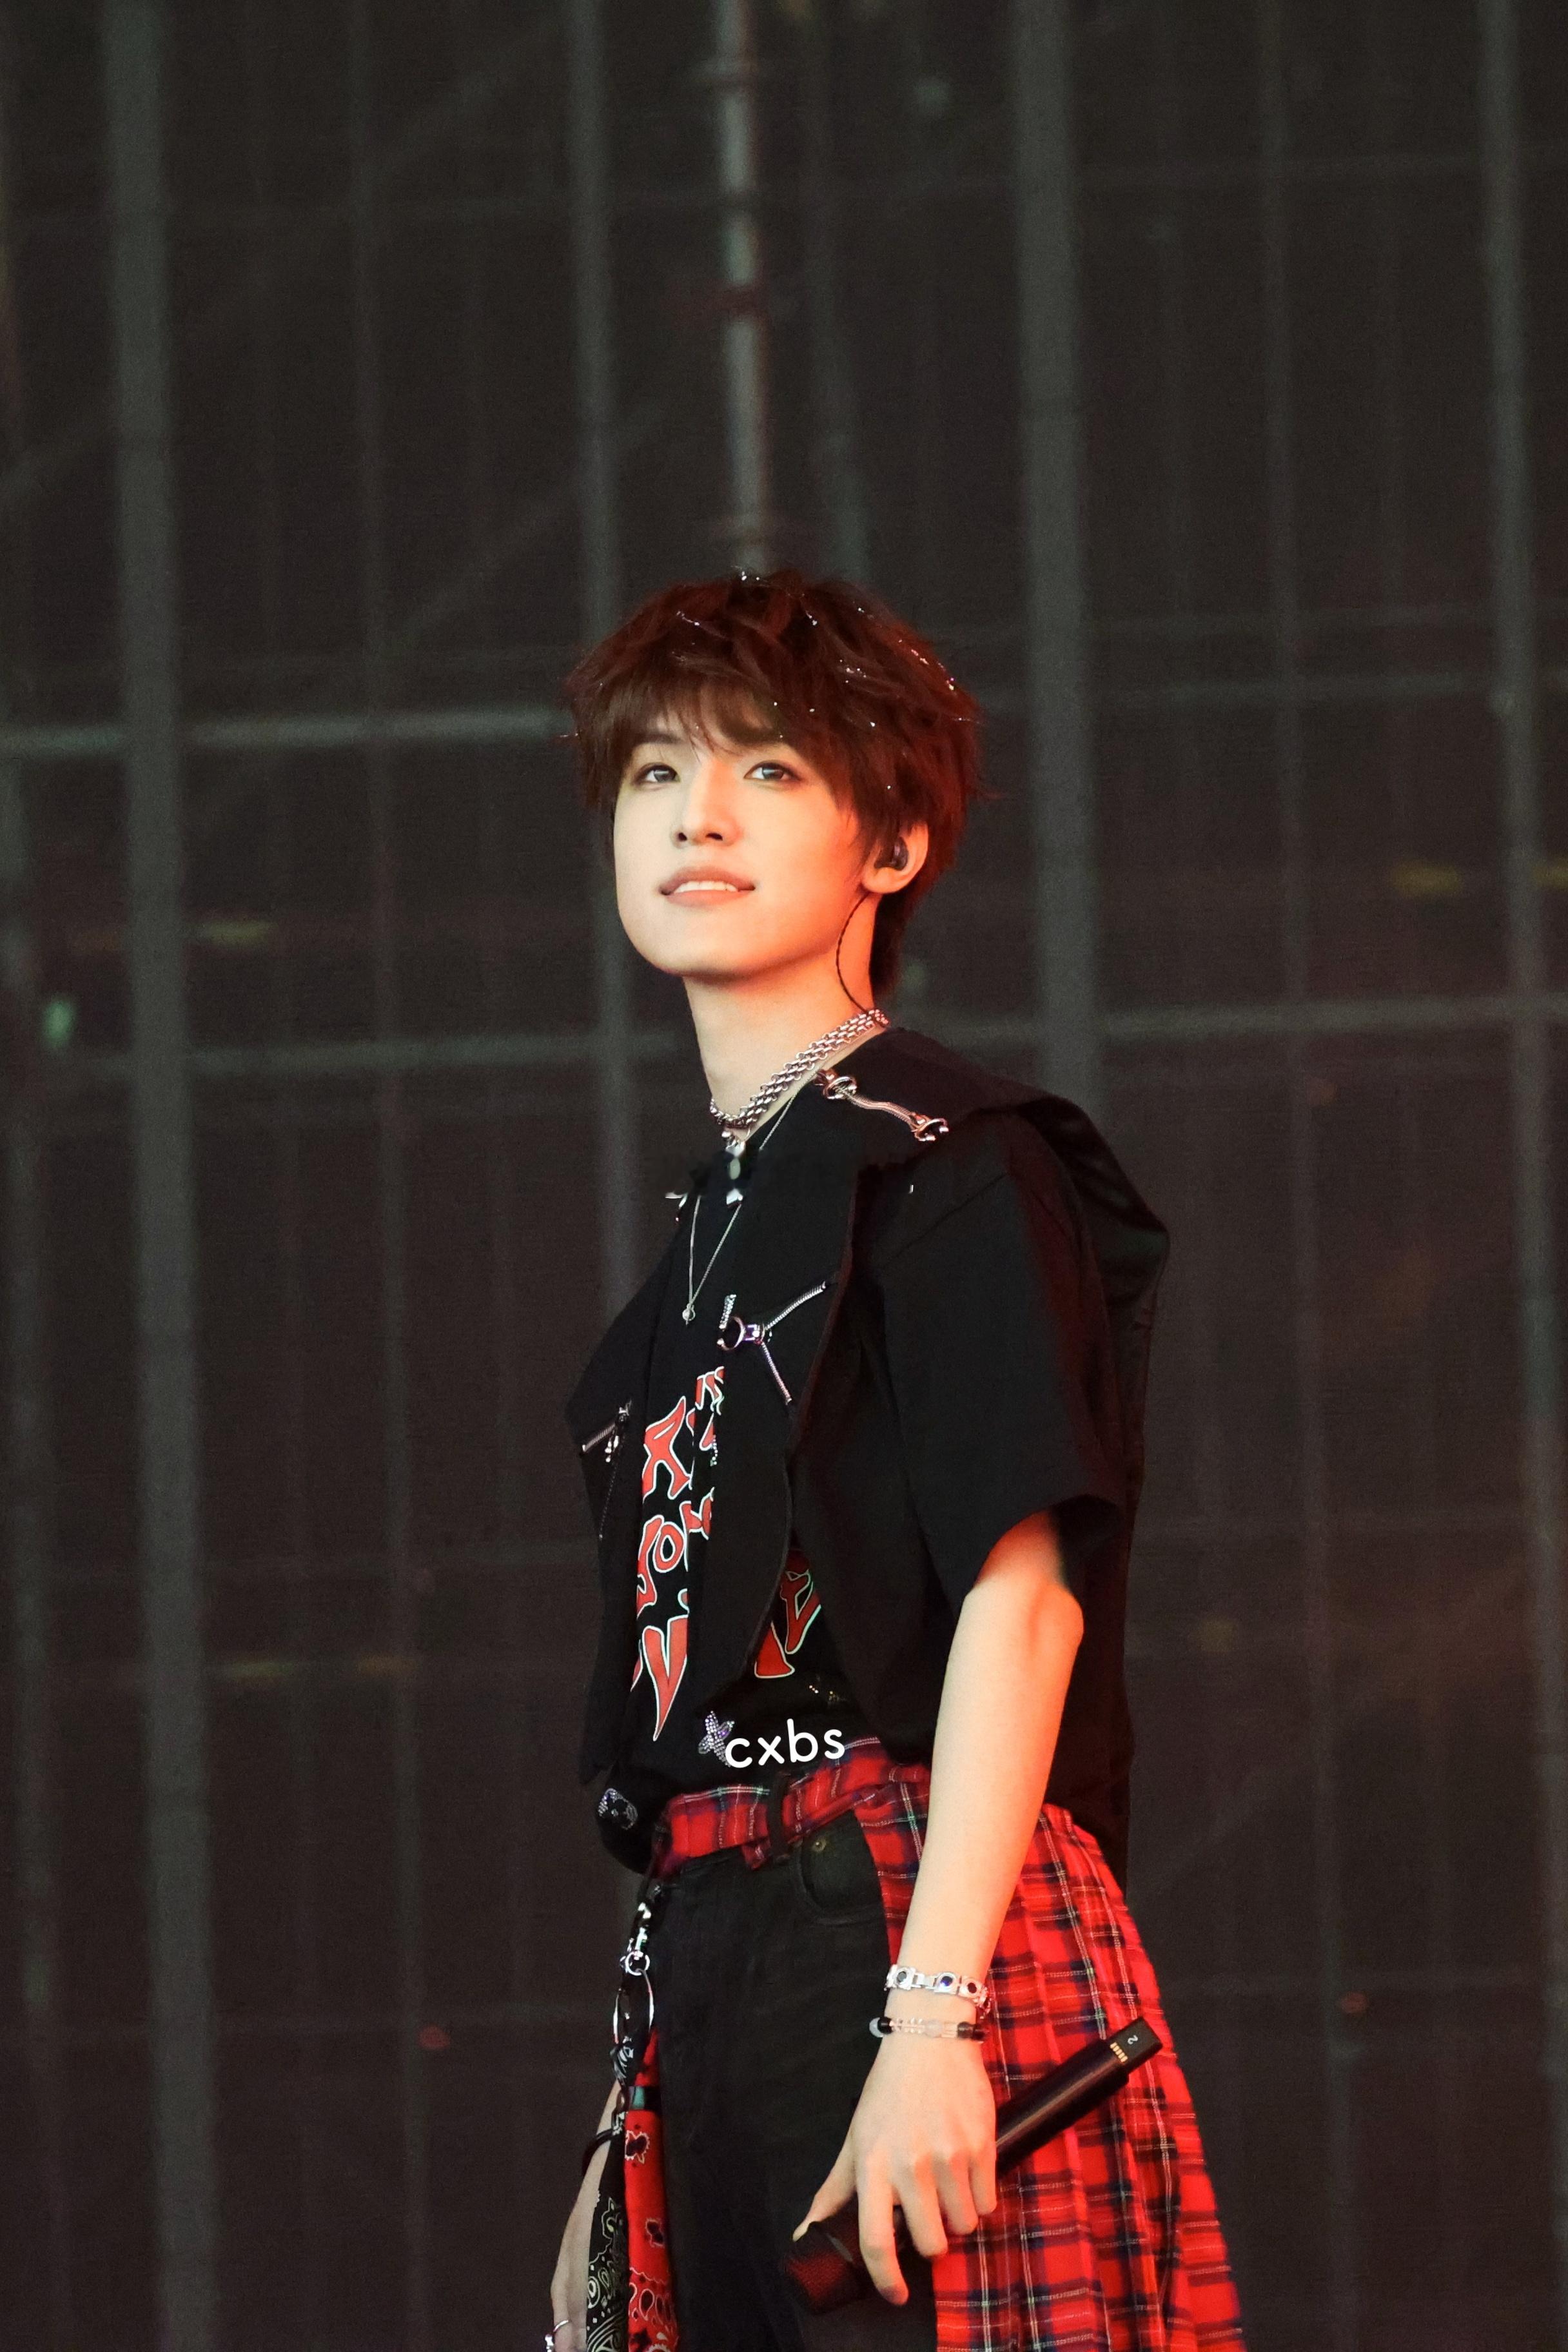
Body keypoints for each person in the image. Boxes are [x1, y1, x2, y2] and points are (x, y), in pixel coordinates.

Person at [549, 569, 1245, 2352]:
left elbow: (1027, 1597)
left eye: (769, 770)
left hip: (912, 1911)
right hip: (723, 1942)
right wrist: (631, 2115)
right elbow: (691, 1719)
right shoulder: (705, 1245)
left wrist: (935, 2014)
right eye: (655, 773)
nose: (697, 815)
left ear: (895, 844)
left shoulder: (945, 1161)